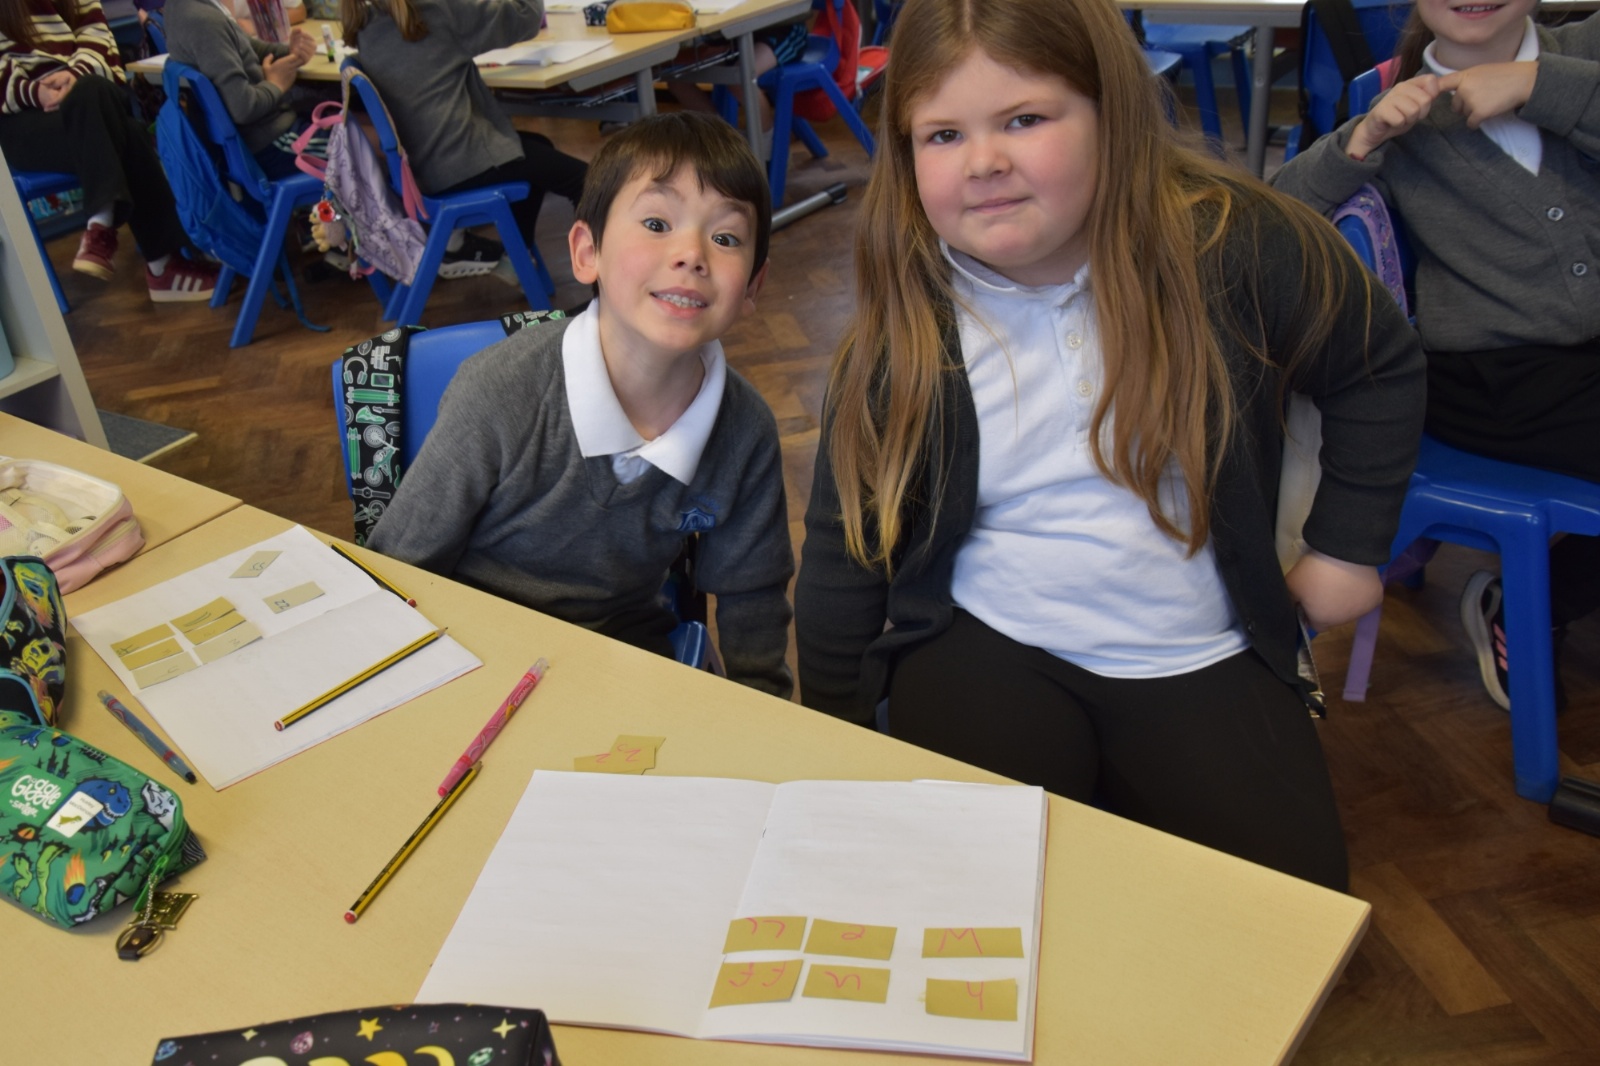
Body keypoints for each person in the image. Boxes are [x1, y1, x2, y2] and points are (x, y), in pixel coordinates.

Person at [794, 0, 1427, 890]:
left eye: (1025, 119)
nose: (984, 161)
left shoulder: (1232, 242)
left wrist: (1347, 548)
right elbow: (843, 550)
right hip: (989, 643)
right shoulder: (906, 325)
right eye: (942, 135)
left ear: (1109, 114)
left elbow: (1377, 365)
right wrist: (830, 731)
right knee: (975, 902)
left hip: (1196, 644)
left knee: (1290, 909)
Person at [368, 112, 794, 698]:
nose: (691, 253)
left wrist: (766, 722)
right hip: (471, 656)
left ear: (752, 287)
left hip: (618, 660)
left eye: (725, 238)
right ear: (587, 251)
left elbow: (754, 600)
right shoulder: (501, 390)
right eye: (656, 223)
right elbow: (397, 570)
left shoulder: (745, 429)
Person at [1273, 3, 1599, 713]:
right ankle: (1537, 604)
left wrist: (1535, 84)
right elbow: (1275, 213)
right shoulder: (1399, 105)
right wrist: (1363, 137)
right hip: (1494, 379)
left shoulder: (1587, 45)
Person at [340, 0, 588, 277]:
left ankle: (517, 258)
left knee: (539, 148)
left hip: (426, 167)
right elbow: (525, 16)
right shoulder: (434, 10)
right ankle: (606, 282)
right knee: (588, 181)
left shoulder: (367, 23)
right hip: (461, 163)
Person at [0, 0, 219, 300]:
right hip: (26, 119)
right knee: (127, 130)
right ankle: (162, 265)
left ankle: (101, 226)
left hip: (87, 100)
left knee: (96, 96)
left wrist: (75, 76)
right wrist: (35, 92)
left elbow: (99, 40)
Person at [164, 0, 321, 182]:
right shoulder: (205, 21)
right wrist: (276, 84)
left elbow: (242, 45)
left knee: (340, 119)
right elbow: (243, 108)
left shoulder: (181, 7)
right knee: (349, 142)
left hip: (259, 140)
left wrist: (288, 52)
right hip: (271, 142)